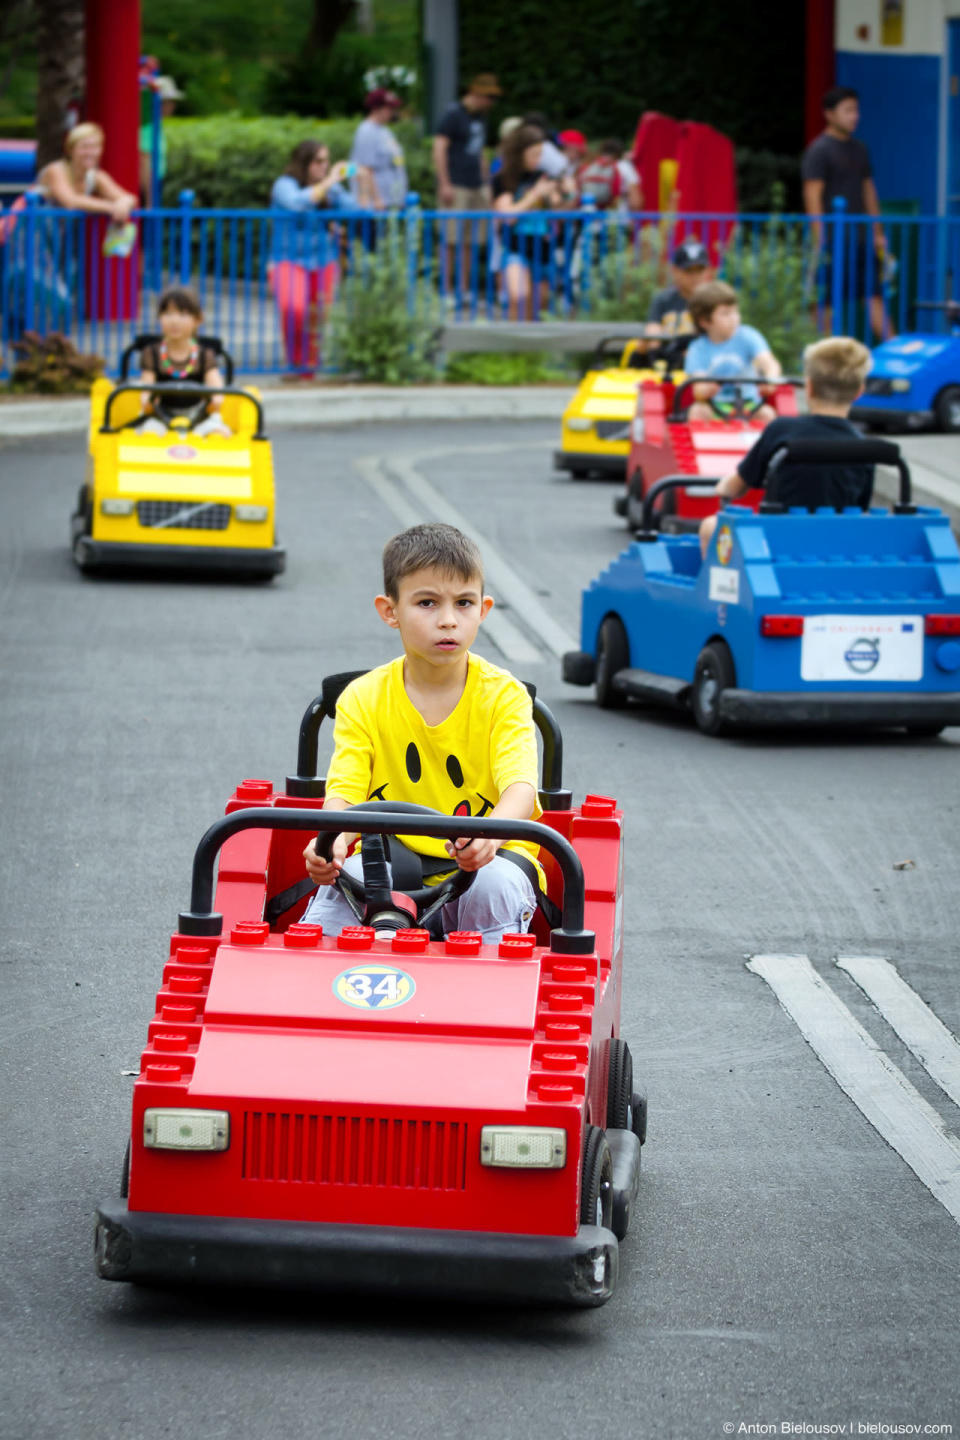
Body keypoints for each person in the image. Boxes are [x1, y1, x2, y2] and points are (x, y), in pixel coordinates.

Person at [300, 523, 542, 944]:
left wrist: (492, 833)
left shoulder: (505, 696)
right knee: (343, 886)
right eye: (427, 603)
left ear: (483, 610)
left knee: (493, 886)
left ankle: (488, 995)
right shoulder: (362, 698)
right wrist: (333, 842)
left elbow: (520, 788)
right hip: (390, 858)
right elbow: (346, 792)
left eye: (464, 603)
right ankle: (325, 994)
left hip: (488, 855)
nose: (448, 620)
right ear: (390, 611)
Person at [699, 336, 873, 556]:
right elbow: (861, 509)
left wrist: (722, 486)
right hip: (836, 546)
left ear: (808, 387)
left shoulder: (781, 430)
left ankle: (716, 589)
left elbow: (735, 488)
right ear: (859, 391)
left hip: (774, 542)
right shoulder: (864, 447)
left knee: (709, 527)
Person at [802, 86, 892, 340]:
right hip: (832, 240)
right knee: (824, 303)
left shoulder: (860, 149)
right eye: (848, 110)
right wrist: (820, 238)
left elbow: (868, 191)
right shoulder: (819, 150)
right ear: (829, 114)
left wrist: (877, 232)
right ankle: (826, 359)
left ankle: (896, 354)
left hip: (861, 239)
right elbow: (812, 195)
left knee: (874, 295)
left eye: (856, 110)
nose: (855, 116)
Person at [270, 139, 355, 378]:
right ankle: (295, 362)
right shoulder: (284, 184)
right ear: (304, 162)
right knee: (294, 309)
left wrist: (361, 182)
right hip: (288, 259)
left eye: (326, 161)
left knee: (318, 316)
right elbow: (297, 204)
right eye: (318, 161)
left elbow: (355, 209)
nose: (324, 166)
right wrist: (329, 182)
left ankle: (308, 369)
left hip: (323, 259)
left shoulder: (332, 188)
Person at [493, 123, 575, 319]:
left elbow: (560, 211)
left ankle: (533, 349)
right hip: (516, 247)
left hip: (543, 248)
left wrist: (570, 194)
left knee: (541, 306)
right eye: (533, 154)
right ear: (519, 153)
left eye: (540, 154)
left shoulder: (543, 176)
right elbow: (507, 216)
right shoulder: (504, 179)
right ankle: (512, 348)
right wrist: (535, 195)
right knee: (519, 297)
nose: (538, 159)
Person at [433, 73, 502, 301]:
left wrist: (486, 183)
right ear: (476, 94)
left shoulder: (481, 118)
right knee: (451, 239)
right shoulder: (453, 115)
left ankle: (464, 289)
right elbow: (439, 148)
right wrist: (445, 183)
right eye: (489, 97)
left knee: (471, 241)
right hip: (456, 184)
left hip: (476, 184)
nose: (492, 102)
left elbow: (481, 150)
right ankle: (446, 289)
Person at [138, 286, 231, 437]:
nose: (174, 320)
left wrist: (217, 398)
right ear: (159, 317)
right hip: (161, 416)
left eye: (183, 314)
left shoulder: (204, 354)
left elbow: (215, 384)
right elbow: (147, 384)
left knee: (218, 435)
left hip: (199, 416)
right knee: (149, 435)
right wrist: (146, 399)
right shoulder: (152, 353)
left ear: (198, 319)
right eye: (168, 314)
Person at [684, 280, 782, 423]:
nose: (734, 318)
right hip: (715, 406)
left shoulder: (748, 336)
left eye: (735, 311)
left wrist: (770, 379)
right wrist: (705, 390)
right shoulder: (697, 348)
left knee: (767, 414)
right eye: (726, 313)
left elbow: (769, 363)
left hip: (750, 405)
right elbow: (698, 388)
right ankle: (702, 446)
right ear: (705, 322)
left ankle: (768, 446)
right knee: (698, 411)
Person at [37, 122, 136, 221]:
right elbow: (70, 201)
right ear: (70, 150)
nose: (90, 152)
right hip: (30, 232)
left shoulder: (96, 176)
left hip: (58, 234)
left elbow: (129, 198)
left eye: (95, 147)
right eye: (84, 147)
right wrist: (113, 207)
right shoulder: (55, 170)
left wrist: (124, 203)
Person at [350, 88, 407, 210]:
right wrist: (376, 199)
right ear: (376, 108)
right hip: (376, 205)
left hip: (390, 201)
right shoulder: (366, 131)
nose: (392, 112)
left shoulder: (385, 130)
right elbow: (366, 168)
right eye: (389, 108)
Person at [646, 238, 713, 337]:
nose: (694, 277)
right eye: (688, 270)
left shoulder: (714, 301)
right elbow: (652, 334)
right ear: (675, 271)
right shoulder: (663, 300)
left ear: (708, 271)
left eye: (699, 270)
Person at [139, 74, 183, 204]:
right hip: (148, 188)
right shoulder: (148, 128)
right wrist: (150, 200)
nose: (172, 106)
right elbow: (145, 163)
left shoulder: (156, 125)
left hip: (154, 184)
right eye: (168, 101)